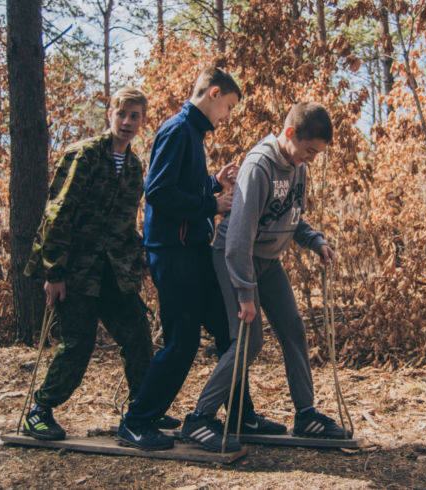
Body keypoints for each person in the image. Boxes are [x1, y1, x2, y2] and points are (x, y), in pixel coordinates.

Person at [117, 67, 285, 452]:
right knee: (182, 340)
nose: (226, 116)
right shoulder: (178, 130)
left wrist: (213, 182)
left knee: (230, 334)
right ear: (213, 93)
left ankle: (242, 416)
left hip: (193, 252)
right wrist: (212, 203)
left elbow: (181, 187)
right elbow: (158, 193)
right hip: (172, 254)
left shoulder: (191, 133)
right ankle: (137, 421)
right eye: (227, 106)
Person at [181, 102, 352, 449]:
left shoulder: (296, 165)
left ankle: (305, 416)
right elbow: (239, 237)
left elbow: (289, 217)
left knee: (293, 327)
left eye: (317, 154)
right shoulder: (259, 166)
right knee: (249, 340)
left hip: (268, 262)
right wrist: (245, 293)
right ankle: (199, 419)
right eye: (309, 151)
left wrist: (315, 241)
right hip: (236, 259)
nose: (311, 159)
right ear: (290, 134)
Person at [22, 87, 180, 441]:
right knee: (79, 342)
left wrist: (141, 263)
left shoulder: (135, 165)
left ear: (142, 121)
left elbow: (124, 225)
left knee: (137, 331)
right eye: (121, 114)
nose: (127, 122)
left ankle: (142, 409)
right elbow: (57, 214)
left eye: (134, 116)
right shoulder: (85, 155)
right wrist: (54, 272)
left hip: (113, 270)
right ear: (110, 114)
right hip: (75, 270)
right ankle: (40, 411)